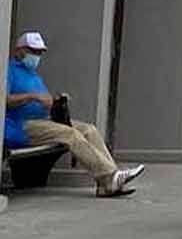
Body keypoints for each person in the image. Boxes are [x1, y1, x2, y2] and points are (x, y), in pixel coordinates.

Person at [5, 31, 143, 198]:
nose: (37, 56)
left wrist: (56, 101)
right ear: (19, 50)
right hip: (21, 124)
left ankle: (107, 183)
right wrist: (32, 97)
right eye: (33, 51)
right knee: (69, 134)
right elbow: (5, 100)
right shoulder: (9, 71)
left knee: (88, 129)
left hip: (44, 120)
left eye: (40, 52)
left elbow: (42, 99)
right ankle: (109, 176)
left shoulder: (32, 74)